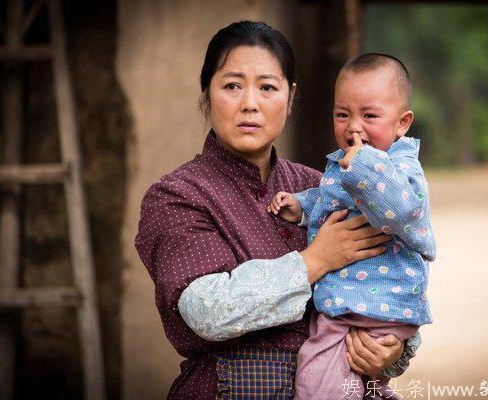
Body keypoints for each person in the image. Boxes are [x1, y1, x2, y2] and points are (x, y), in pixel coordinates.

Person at [135, 21, 422, 400]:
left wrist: (391, 350)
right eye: (232, 85)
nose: (249, 103)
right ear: (206, 94)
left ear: (290, 98)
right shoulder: (178, 196)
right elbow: (207, 311)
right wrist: (315, 260)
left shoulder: (325, 186)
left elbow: (387, 275)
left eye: (268, 87)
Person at [268, 53, 435, 399]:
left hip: (377, 305)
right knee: (355, 383)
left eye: (369, 115)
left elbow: (403, 209)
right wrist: (301, 206)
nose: (353, 126)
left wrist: (363, 164)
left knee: (317, 380)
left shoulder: (401, 168)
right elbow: (333, 200)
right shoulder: (345, 165)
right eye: (342, 114)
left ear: (402, 123)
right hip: (350, 307)